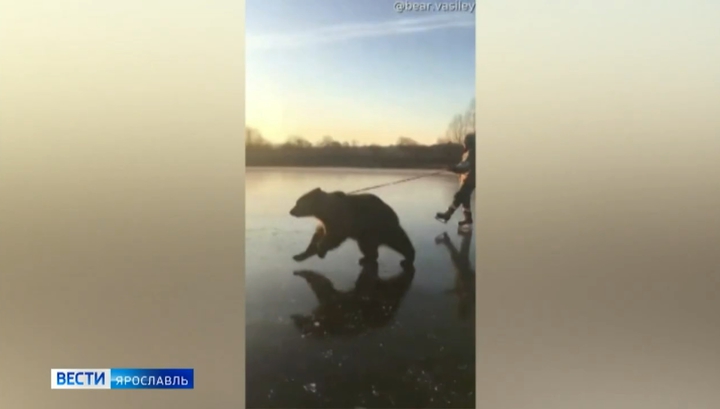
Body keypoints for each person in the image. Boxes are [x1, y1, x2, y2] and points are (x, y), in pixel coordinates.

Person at [435, 132, 475, 229]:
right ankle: (468, 219)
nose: (464, 143)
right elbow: (463, 165)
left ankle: (447, 214)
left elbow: (466, 166)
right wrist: (454, 168)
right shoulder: (468, 152)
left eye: (465, 141)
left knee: (459, 196)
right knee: (465, 199)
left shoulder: (473, 152)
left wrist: (454, 168)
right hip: (467, 179)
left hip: (471, 179)